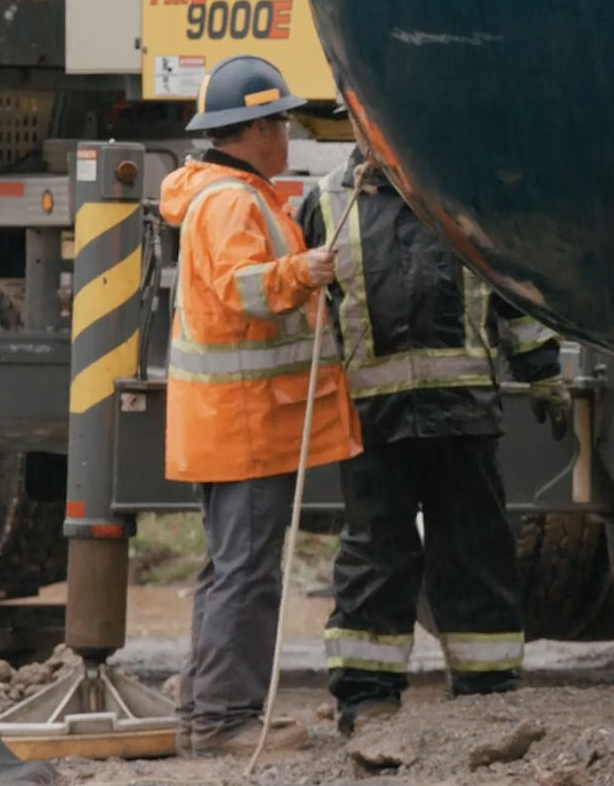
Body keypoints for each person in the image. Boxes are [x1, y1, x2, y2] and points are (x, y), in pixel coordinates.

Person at [299, 110, 571, 736]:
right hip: (374, 416)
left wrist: (543, 371)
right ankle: (367, 699)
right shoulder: (324, 202)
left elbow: (513, 293)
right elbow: (306, 309)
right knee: (377, 551)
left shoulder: (462, 195)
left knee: (475, 547)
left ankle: (486, 687)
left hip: (462, 410)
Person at [162, 55, 363, 757]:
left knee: (231, 568)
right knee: (245, 571)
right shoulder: (229, 202)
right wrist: (301, 272)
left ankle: (206, 708)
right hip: (243, 421)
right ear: (249, 130)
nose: (286, 134)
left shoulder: (237, 193)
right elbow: (243, 289)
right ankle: (222, 719)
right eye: (278, 121)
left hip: (236, 422)